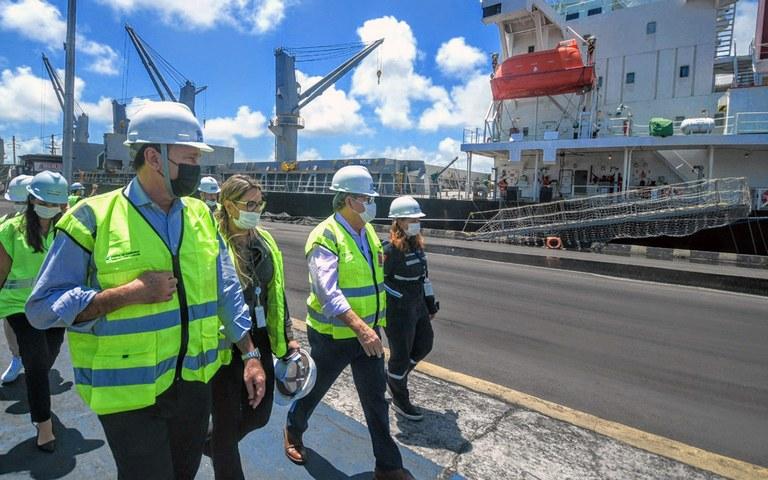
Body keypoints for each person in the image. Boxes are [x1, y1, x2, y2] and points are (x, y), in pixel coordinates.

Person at [26, 101, 266, 479]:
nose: (197, 168)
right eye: (189, 158)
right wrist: (129, 293)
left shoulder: (201, 216)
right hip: (128, 394)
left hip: (192, 386)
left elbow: (227, 291)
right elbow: (41, 309)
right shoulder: (92, 218)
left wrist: (249, 353)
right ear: (154, 157)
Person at [284, 165, 415, 480]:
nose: (371, 203)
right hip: (334, 335)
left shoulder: (367, 231)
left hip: (367, 333)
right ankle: (293, 429)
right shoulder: (325, 236)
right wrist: (360, 327)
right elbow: (327, 293)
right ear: (346, 199)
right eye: (365, 197)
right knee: (315, 388)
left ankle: (388, 466)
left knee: (376, 400)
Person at [208, 174, 301, 479]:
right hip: (225, 343)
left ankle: (203, 441)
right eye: (249, 203)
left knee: (259, 415)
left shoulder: (264, 239)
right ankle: (220, 448)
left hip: (259, 338)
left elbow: (277, 291)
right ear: (229, 205)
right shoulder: (212, 243)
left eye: (259, 203)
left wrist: (287, 334)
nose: (256, 209)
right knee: (225, 424)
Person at [1, 171, 68, 452]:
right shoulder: (10, 230)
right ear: (31, 199)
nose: (50, 209)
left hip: (55, 305)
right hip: (19, 306)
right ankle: (44, 426)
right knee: (38, 362)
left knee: (49, 354)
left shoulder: (66, 228)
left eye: (56, 205)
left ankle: (34, 382)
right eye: (45, 202)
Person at [382, 196, 438, 422]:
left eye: (418, 218)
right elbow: (380, 282)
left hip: (417, 307)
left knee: (425, 344)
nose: (417, 222)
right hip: (398, 311)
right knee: (401, 356)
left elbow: (424, 277)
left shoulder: (416, 245)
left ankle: (393, 378)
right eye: (412, 218)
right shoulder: (389, 250)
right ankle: (399, 398)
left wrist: (429, 301)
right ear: (399, 221)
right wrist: (401, 297)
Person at [1, 174, 32, 384]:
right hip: (11, 298)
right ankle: (16, 358)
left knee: (42, 345)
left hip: (39, 297)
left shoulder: (47, 226)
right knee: (12, 332)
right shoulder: (4, 224)